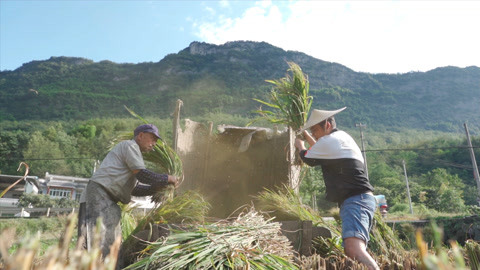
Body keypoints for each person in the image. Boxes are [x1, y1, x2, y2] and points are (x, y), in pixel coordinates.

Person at [294, 107, 379, 270]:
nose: (315, 135)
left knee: (354, 250)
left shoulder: (331, 141)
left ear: (327, 125)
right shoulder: (341, 138)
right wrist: (307, 136)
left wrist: (299, 144)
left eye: (315, 131)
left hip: (356, 201)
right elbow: (320, 150)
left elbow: (309, 158)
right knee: (354, 250)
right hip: (360, 199)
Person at [78, 124, 178, 259]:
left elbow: (135, 189)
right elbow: (143, 175)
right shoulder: (130, 146)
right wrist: (167, 178)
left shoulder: (135, 156)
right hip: (98, 195)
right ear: (141, 136)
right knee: (96, 240)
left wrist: (156, 189)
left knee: (113, 245)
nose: (154, 144)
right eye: (152, 139)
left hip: (109, 200)